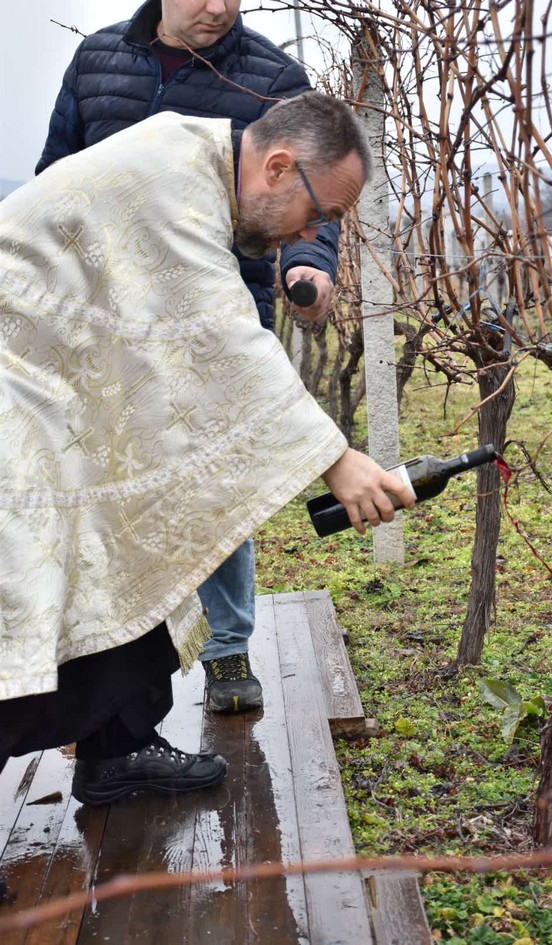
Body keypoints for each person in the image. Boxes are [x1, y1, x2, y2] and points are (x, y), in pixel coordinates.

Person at [0, 92, 416, 807]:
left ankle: (117, 748)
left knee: (134, 541)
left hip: (56, 388)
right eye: (318, 214)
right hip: (17, 394)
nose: (309, 233)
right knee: (26, 587)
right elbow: (222, 343)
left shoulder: (190, 160)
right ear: (279, 167)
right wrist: (337, 459)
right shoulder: (171, 185)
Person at [36, 0, 341, 715]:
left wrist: (310, 264)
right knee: (109, 487)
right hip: (107, 312)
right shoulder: (98, 60)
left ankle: (227, 646)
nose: (218, 7)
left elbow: (304, 195)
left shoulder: (274, 77)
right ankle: (103, 677)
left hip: (216, 311)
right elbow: (57, 173)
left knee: (213, 479)